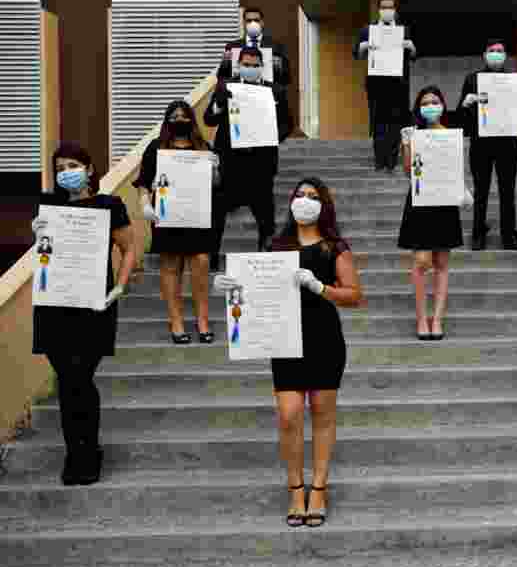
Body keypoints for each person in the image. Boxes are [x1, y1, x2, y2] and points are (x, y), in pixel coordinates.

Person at [214, 177, 363, 527]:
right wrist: (232, 286)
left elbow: (355, 295)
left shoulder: (335, 248)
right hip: (282, 338)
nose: (305, 201)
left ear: (324, 205)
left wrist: (319, 286)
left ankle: (319, 489)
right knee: (290, 413)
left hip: (324, 337)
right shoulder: (276, 246)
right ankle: (295, 486)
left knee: (323, 414)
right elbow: (255, 289)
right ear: (291, 201)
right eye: (300, 195)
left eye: (313, 197)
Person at [31, 142, 135, 485]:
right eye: (60, 168)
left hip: (94, 304)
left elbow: (128, 247)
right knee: (67, 380)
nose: (66, 173)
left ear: (90, 169)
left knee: (80, 378)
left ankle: (88, 452)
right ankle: (73, 452)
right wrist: (39, 234)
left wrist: (119, 286)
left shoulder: (109, 205)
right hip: (55, 305)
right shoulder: (49, 205)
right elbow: (45, 253)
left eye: (73, 165)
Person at [135, 100, 223, 344]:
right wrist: (145, 205)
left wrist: (215, 169)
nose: (179, 120)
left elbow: (216, 185)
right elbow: (143, 182)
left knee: (201, 262)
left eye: (184, 116)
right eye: (174, 116)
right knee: (171, 266)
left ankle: (202, 320)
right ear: (166, 121)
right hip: (167, 216)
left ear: (192, 120)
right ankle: (176, 322)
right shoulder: (155, 148)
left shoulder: (203, 146)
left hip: (198, 215)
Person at [205, 46, 294, 255]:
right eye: (246, 64)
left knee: (265, 214)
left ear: (262, 67)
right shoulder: (225, 87)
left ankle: (265, 252)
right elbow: (209, 119)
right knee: (217, 212)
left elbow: (287, 124)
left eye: (255, 65)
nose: (250, 68)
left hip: (260, 163)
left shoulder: (275, 91)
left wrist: (272, 136)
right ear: (238, 66)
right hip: (229, 161)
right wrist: (219, 104)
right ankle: (212, 256)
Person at [398, 86, 464, 340]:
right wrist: (406, 143)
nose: (430, 106)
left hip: (445, 202)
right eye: (425, 102)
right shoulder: (414, 134)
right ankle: (421, 318)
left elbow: (454, 168)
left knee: (442, 263)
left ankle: (437, 319)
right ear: (418, 108)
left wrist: (462, 190)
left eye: (435, 101)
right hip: (420, 201)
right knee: (421, 261)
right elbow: (408, 170)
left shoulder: (450, 135)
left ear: (443, 105)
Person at [457, 38, 517, 251]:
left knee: (508, 191)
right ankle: (478, 235)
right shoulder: (472, 79)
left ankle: (510, 236)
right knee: (481, 190)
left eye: (500, 50)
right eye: (492, 50)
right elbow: (463, 116)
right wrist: (466, 103)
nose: (496, 53)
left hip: (507, 143)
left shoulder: (515, 79)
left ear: (505, 55)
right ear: (484, 54)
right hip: (481, 144)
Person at [353, 0, 417, 172]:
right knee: (378, 121)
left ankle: (392, 160)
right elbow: (357, 54)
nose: (387, 10)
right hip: (377, 84)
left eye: (390, 7)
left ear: (395, 9)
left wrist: (411, 47)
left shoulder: (403, 30)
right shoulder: (368, 30)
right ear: (378, 9)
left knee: (396, 121)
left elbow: (413, 56)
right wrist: (363, 46)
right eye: (383, 7)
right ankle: (379, 160)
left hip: (398, 84)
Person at [221, 6, 290, 87]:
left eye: (256, 20)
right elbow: (222, 77)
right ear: (243, 23)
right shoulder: (232, 46)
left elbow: (286, 78)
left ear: (262, 22)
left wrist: (278, 67)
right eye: (249, 21)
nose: (253, 23)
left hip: (267, 93)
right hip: (239, 93)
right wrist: (225, 63)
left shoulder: (276, 46)